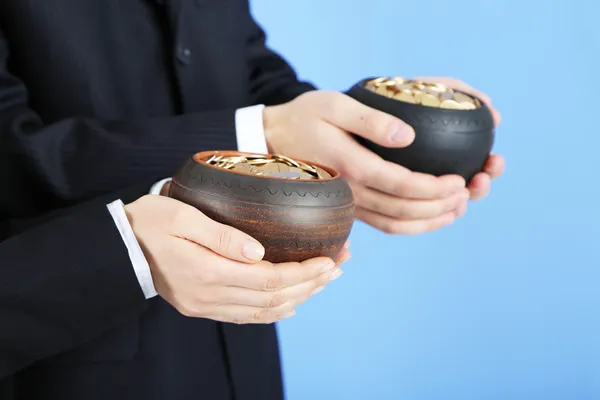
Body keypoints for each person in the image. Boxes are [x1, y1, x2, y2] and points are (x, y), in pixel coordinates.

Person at [0, 1, 504, 399]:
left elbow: (244, 63)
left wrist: (354, 135)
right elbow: (14, 154)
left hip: (243, 353)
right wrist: (261, 136)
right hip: (73, 356)